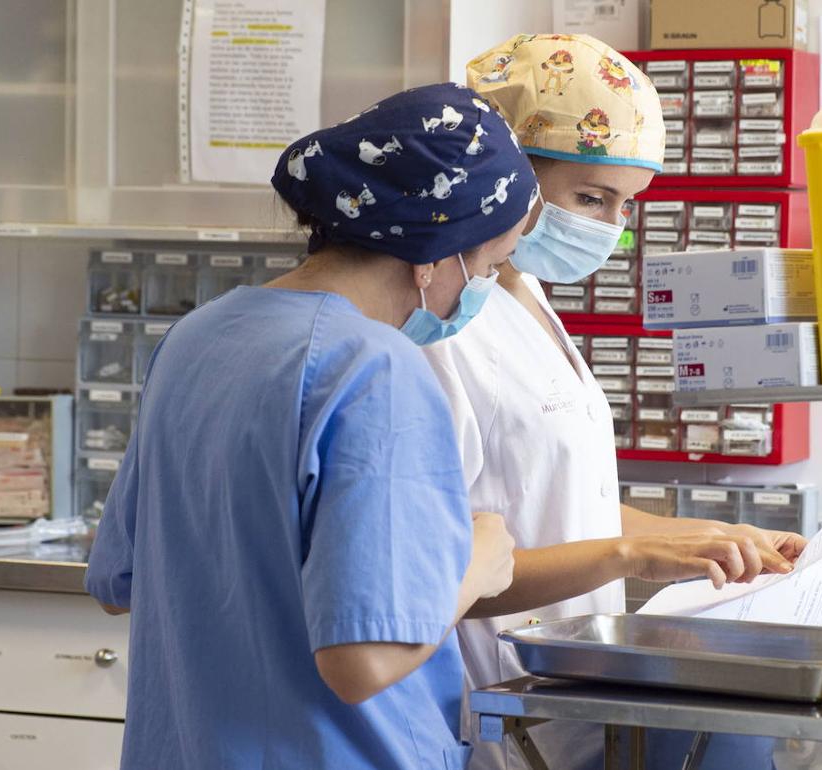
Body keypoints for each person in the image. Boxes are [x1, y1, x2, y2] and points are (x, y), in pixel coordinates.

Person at [85, 83, 539, 770]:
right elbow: (364, 659)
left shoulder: (197, 337)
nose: (484, 288)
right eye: (489, 265)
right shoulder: (374, 369)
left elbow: (120, 582)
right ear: (434, 253)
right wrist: (476, 566)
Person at [424, 35, 808, 770]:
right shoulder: (443, 327)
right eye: (590, 198)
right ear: (511, 176)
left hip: (574, 697)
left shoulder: (525, 291)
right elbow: (442, 574)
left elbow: (551, 501)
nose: (608, 228)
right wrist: (629, 552)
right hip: (499, 712)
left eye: (625, 205)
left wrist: (689, 540)